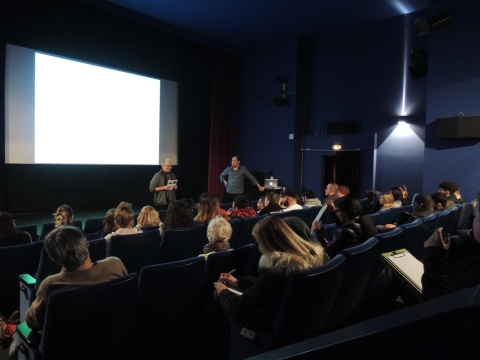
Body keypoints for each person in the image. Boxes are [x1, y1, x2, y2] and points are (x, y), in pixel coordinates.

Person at [6, 226, 127, 356]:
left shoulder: (51, 284)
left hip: (66, 351)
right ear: (86, 244)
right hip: (110, 342)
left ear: (55, 259)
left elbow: (32, 322)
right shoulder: (115, 265)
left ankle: (6, 329)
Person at [213, 216, 325, 329]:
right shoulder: (308, 258)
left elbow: (238, 307)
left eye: (258, 241)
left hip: (272, 326)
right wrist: (238, 282)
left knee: (217, 297)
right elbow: (267, 287)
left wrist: (222, 291)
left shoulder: (278, 267)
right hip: (301, 320)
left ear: (266, 242)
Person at [312, 197, 378, 258]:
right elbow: (345, 224)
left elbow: (326, 253)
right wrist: (334, 211)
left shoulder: (345, 232)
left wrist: (316, 231)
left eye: (338, 211)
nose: (337, 214)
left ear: (344, 214)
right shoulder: (364, 222)